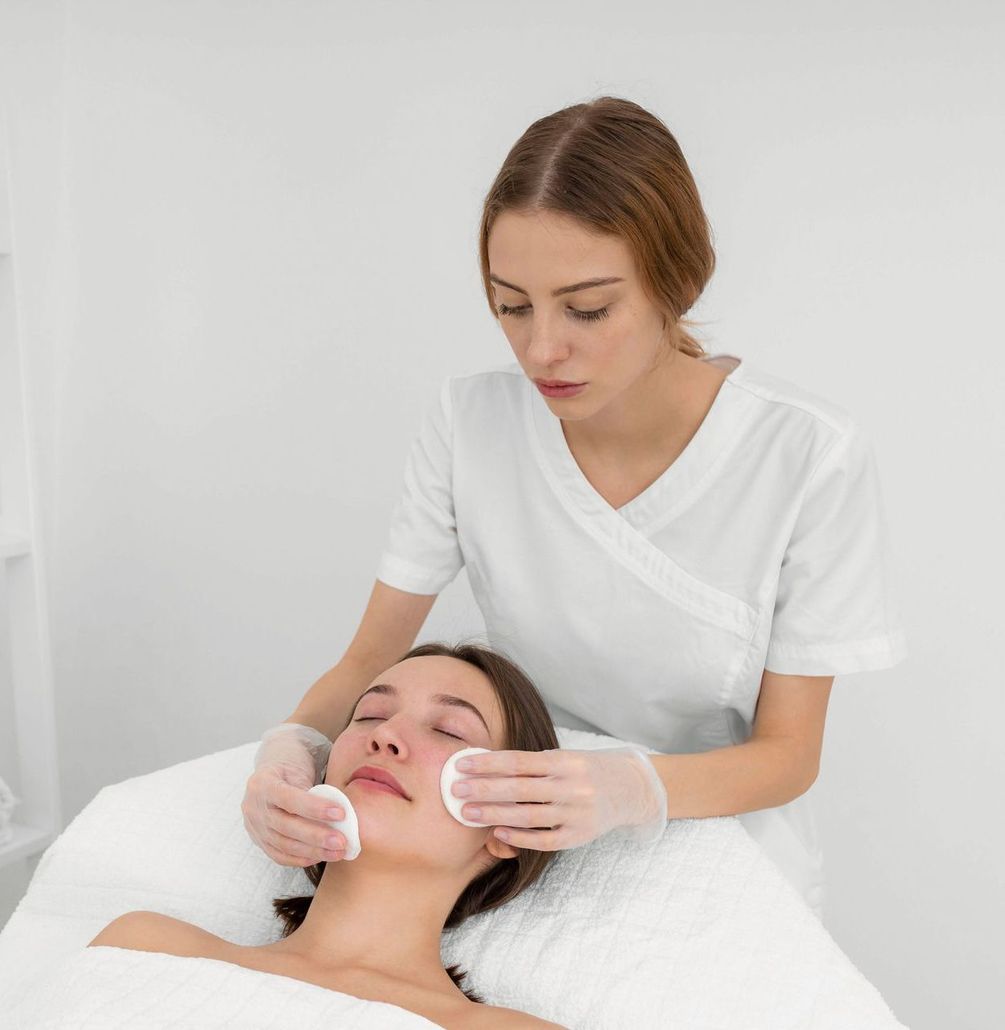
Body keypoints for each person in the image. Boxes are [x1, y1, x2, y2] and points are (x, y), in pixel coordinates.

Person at [241, 95, 908, 921]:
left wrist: (628, 788)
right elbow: (365, 664)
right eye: (510, 305)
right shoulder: (469, 425)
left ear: (677, 280)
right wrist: (290, 752)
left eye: (586, 309)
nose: (540, 349)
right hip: (513, 851)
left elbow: (788, 755)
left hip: (717, 846)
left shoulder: (805, 456)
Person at [91, 641, 649, 1027]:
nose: (386, 736)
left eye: (448, 729)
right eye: (366, 716)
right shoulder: (146, 946)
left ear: (511, 823)